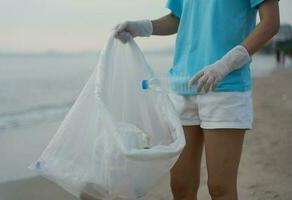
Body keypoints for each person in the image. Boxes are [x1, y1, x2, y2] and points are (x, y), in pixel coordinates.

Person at [114, 0, 280, 200]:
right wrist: (142, 27)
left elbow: (270, 22)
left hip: (225, 89)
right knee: (180, 186)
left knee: (220, 188)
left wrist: (226, 64)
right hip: (181, 88)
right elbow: (177, 19)